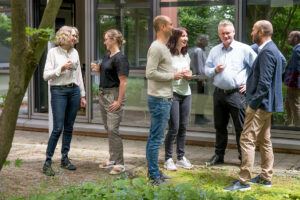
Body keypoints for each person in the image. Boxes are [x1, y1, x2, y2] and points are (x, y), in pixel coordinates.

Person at [224, 20, 286, 192]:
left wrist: (254, 101)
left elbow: (265, 83)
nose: (251, 33)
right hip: (268, 104)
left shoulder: (266, 52)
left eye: (253, 30)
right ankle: (266, 177)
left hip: (260, 105)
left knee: (247, 139)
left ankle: (243, 181)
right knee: (264, 140)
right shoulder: (272, 48)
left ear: (260, 32)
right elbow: (283, 63)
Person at [204, 20, 257, 166]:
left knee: (240, 128)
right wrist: (214, 70)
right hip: (219, 93)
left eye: (228, 33)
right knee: (220, 126)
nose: (225, 35)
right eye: (222, 33)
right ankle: (219, 155)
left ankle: (243, 157)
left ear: (233, 32)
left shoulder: (244, 49)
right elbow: (206, 70)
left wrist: (250, 84)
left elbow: (258, 68)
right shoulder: (214, 50)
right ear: (219, 34)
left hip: (236, 94)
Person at [43, 26, 86, 176]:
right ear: (65, 36)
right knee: (57, 128)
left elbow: (79, 74)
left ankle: (64, 158)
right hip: (58, 91)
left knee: (69, 127)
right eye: (73, 35)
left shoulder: (75, 52)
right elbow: (46, 75)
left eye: (76, 35)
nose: (75, 38)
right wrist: (61, 68)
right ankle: (47, 161)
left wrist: (82, 94)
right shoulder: (53, 53)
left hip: (73, 91)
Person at [145, 15, 184, 186]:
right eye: (170, 24)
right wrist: (172, 75)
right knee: (156, 139)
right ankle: (154, 176)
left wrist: (177, 73)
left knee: (155, 137)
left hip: (164, 98)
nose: (173, 26)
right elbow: (150, 73)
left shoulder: (162, 47)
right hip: (159, 99)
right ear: (162, 27)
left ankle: (154, 171)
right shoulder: (156, 47)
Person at [91, 29, 129, 175]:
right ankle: (112, 159)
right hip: (103, 94)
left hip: (113, 95)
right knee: (109, 128)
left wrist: (119, 101)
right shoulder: (107, 56)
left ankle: (120, 163)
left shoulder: (121, 59)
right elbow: (105, 75)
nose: (105, 42)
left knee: (113, 129)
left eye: (107, 39)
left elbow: (123, 82)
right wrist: (97, 69)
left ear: (114, 40)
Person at [164, 27, 193, 171]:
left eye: (186, 36)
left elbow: (189, 70)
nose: (185, 38)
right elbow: (164, 73)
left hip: (186, 93)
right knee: (174, 127)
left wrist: (189, 74)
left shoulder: (186, 55)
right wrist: (176, 73)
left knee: (183, 127)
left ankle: (181, 158)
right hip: (172, 93)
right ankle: (168, 159)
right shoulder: (168, 54)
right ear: (175, 38)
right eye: (183, 36)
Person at [189, 34, 210, 124]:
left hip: (202, 78)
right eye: (207, 40)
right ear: (202, 41)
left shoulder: (202, 50)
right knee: (200, 98)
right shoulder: (198, 51)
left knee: (203, 98)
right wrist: (202, 79)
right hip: (200, 78)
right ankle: (198, 118)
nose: (208, 42)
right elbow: (199, 66)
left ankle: (202, 116)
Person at [284, 31, 300, 127]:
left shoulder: (297, 51)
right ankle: (288, 125)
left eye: (290, 36)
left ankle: (297, 129)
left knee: (295, 106)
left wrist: (291, 84)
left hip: (294, 84)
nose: (288, 38)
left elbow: (296, 70)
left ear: (296, 39)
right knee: (289, 104)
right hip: (294, 84)